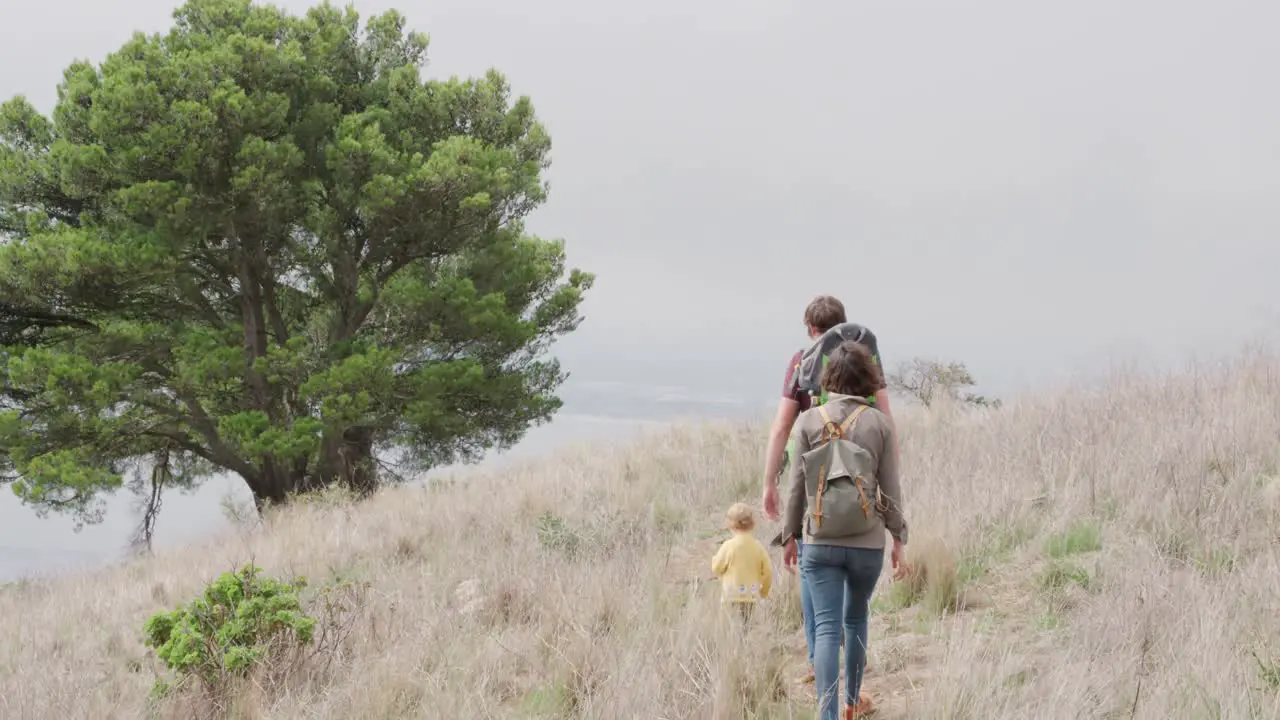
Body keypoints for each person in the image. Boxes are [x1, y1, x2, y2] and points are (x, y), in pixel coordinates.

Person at [761, 295, 895, 681]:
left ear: (810, 329)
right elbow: (887, 420)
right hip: (861, 487)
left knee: (811, 569)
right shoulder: (866, 362)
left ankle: (816, 662)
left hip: (813, 483)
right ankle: (851, 683)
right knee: (856, 611)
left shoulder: (801, 363)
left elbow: (781, 426)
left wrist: (769, 480)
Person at [780, 340, 908, 720]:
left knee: (825, 627)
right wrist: (899, 538)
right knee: (855, 620)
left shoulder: (807, 421)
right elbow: (891, 487)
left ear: (829, 377)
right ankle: (852, 703)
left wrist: (790, 535)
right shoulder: (880, 424)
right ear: (868, 379)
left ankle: (827, 714)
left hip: (820, 542)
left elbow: (796, 487)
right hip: (868, 542)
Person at [710, 502, 774, 623]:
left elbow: (717, 568)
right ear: (753, 523)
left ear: (729, 524)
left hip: (730, 595)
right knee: (746, 627)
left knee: (730, 627)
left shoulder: (728, 546)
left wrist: (714, 560)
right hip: (750, 595)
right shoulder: (758, 547)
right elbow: (767, 571)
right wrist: (764, 591)